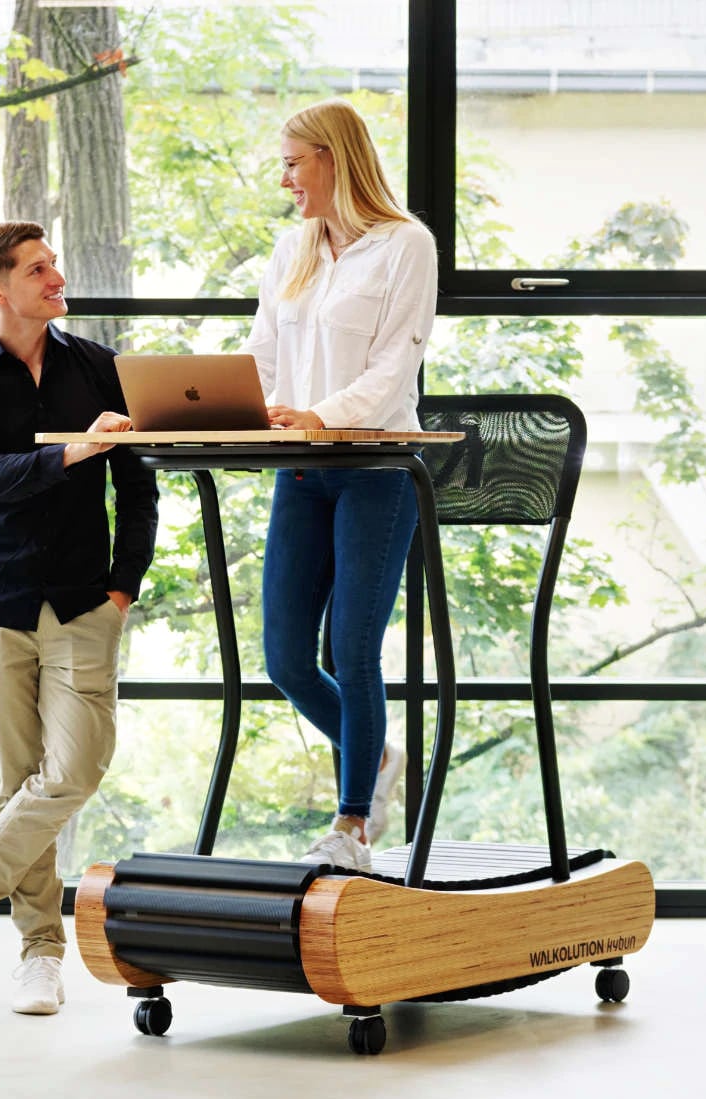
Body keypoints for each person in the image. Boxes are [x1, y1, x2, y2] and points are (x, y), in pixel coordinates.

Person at [0, 221, 159, 1015]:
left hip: (88, 601)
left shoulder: (100, 369)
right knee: (16, 783)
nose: (57, 277)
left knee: (74, 771)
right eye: (38, 269)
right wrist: (74, 452)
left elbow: (140, 488)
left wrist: (125, 587)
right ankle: (39, 954)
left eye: (55, 263)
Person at [242, 98, 437, 872]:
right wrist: (242, 411)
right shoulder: (294, 247)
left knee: (351, 646)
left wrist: (317, 415)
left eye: (294, 162)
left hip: (374, 470)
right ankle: (379, 757)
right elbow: (262, 354)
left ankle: (353, 824)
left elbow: (395, 370)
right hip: (300, 469)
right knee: (287, 658)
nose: (285, 178)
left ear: (334, 159)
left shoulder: (404, 246)